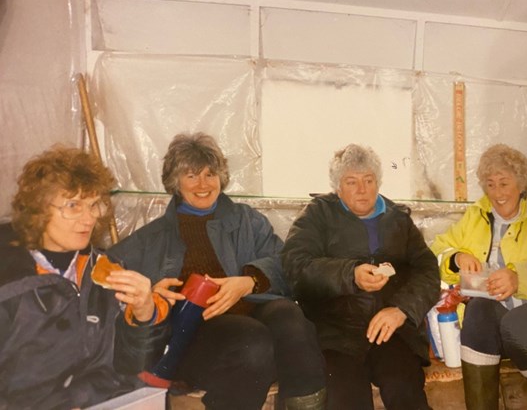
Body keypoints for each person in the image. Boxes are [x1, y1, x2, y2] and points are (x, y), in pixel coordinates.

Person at [107, 133, 326, 410]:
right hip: (195, 337)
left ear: (221, 178)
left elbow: (288, 266)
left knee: (289, 316)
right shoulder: (153, 238)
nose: (203, 184)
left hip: (252, 313)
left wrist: (249, 282)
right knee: (252, 338)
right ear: (175, 182)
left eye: (210, 174)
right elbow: (104, 275)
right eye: (191, 175)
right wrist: (150, 296)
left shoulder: (248, 220)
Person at [0, 145, 170, 409]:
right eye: (73, 205)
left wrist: (144, 314)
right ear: (38, 208)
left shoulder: (105, 270)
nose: (88, 218)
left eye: (93, 205)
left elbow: (134, 365)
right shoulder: (10, 283)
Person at [281, 143, 440, 410]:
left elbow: (428, 270)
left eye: (368, 180)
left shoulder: (398, 219)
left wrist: (401, 310)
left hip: (390, 330)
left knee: (404, 387)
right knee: (347, 398)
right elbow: (294, 265)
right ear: (338, 187)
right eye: (351, 182)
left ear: (378, 182)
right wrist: (349, 274)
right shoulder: (317, 215)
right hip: (334, 333)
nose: (362, 189)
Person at [431, 143, 527, 409]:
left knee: (519, 319)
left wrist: (520, 278)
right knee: (479, 309)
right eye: (491, 184)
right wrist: (457, 257)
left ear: (520, 184)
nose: (498, 193)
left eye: (504, 183)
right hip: (487, 334)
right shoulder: (474, 217)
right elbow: (435, 251)